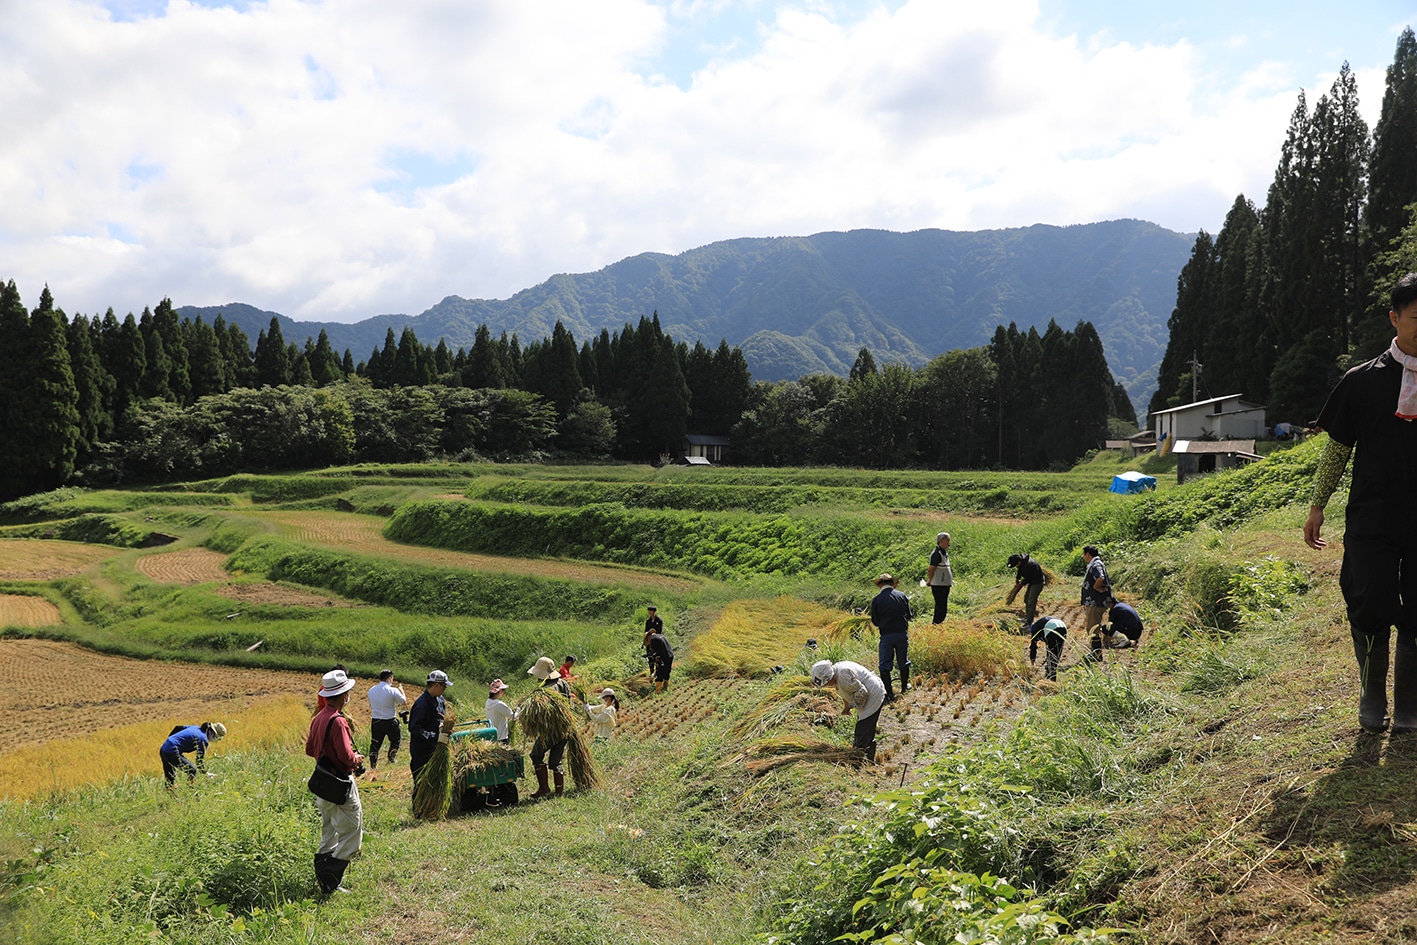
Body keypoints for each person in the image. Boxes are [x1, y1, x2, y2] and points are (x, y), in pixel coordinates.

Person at [1305, 272, 1417, 734]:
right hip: (1373, 514)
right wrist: (1317, 504)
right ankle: (1373, 695)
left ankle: (1409, 704)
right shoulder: (1362, 381)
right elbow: (1337, 448)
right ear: (1395, 319)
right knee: (1369, 598)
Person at [305, 669, 363, 896]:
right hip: (340, 784)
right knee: (352, 835)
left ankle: (325, 880)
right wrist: (357, 759)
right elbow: (347, 757)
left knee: (329, 833)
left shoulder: (318, 717)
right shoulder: (338, 721)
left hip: (323, 784)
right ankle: (330, 879)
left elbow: (310, 749)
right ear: (343, 696)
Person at [810, 659, 886, 762]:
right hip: (866, 695)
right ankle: (864, 757)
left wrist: (851, 706)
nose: (826, 685)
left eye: (826, 683)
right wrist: (846, 707)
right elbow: (846, 692)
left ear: (829, 677)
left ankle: (862, 760)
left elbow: (862, 693)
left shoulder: (843, 674)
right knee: (865, 728)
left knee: (863, 729)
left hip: (872, 694)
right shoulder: (837, 672)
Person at [408, 670, 455, 812]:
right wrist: (434, 736)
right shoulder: (421, 704)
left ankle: (434, 808)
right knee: (422, 781)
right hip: (422, 750)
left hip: (437, 748)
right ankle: (419, 811)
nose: (445, 689)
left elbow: (441, 718)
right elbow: (414, 728)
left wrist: (444, 729)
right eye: (443, 686)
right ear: (436, 685)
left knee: (435, 780)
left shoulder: (440, 700)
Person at [527, 657, 573, 798]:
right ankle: (559, 792)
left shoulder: (544, 691)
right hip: (565, 729)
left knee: (536, 754)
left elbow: (542, 714)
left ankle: (544, 788)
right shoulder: (563, 684)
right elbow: (569, 705)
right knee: (555, 761)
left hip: (550, 731)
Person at [868, 572, 913, 702]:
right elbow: (909, 615)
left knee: (884, 665)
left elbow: (875, 622)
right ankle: (904, 688)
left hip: (886, 635)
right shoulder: (902, 596)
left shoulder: (877, 600)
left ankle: (889, 694)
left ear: (880, 585)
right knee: (903, 661)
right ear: (892, 584)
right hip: (901, 633)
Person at [158, 721, 226, 786]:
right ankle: (191, 791)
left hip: (164, 748)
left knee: (170, 775)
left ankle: (171, 793)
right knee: (192, 770)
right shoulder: (203, 740)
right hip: (172, 751)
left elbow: (177, 727)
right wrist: (206, 774)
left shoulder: (196, 728)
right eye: (218, 739)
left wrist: (168, 741)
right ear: (213, 734)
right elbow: (199, 762)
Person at [366, 670, 407, 769]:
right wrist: (401, 690)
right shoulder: (393, 690)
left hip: (376, 721)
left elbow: (371, 704)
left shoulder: (371, 690)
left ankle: (373, 765)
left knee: (375, 743)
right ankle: (391, 758)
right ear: (389, 678)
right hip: (389, 721)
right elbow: (403, 702)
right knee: (395, 740)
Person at [1079, 545, 1113, 661]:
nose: (1084, 557)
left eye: (1084, 554)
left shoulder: (1096, 564)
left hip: (1095, 601)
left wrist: (1095, 587)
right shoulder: (1095, 564)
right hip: (1094, 601)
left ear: (1088, 554)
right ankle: (1095, 654)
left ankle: (1096, 655)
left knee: (1093, 628)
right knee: (1093, 628)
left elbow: (1100, 578)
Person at [1007, 553, 1046, 628]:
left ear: (1019, 562)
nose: (1015, 566)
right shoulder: (1021, 561)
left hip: (1037, 583)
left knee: (1031, 602)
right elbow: (1019, 570)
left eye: (1015, 565)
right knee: (1026, 599)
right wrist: (1017, 579)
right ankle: (1026, 617)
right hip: (1032, 582)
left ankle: (1029, 623)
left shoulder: (1028, 565)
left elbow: (1027, 579)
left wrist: (1020, 585)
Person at [925, 532, 954, 623]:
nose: (949, 543)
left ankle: (939, 622)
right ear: (941, 541)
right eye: (947, 541)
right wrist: (930, 580)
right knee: (940, 605)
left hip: (944, 584)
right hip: (938, 584)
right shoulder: (937, 554)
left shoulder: (944, 553)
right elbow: (931, 569)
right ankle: (936, 623)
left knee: (943, 605)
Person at [1028, 616, 1068, 682]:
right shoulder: (1040, 624)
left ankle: (1052, 677)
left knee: (1051, 652)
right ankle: (1051, 672)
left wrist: (1032, 662)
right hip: (1063, 626)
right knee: (1057, 651)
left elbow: (1033, 647)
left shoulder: (1035, 630)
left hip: (1051, 627)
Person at [485, 678, 517, 744]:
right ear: (499, 691)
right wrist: (519, 709)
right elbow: (513, 716)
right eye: (503, 690)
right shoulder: (499, 704)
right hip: (502, 737)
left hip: (492, 737)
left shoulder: (488, 702)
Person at [646, 625, 674, 693]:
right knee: (667, 671)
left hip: (663, 657)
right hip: (670, 655)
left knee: (660, 673)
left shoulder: (653, 639)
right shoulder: (661, 635)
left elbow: (654, 651)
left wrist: (651, 656)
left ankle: (658, 691)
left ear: (649, 637)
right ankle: (665, 688)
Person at [643, 605, 663, 675]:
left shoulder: (659, 621)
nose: (649, 612)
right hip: (649, 640)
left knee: (658, 656)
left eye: (651, 611)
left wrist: (654, 634)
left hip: (657, 638)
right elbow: (646, 631)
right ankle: (651, 671)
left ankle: (658, 671)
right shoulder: (648, 621)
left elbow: (659, 631)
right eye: (648, 611)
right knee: (650, 656)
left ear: (654, 612)